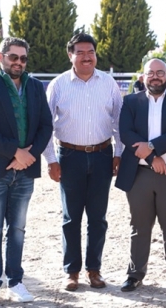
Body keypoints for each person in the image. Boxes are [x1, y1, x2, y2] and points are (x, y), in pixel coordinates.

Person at [0, 37, 53, 307]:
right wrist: (16, 152)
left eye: (23, 58)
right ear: (0, 56)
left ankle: (15, 281)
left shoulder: (36, 86)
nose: (18, 62)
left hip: (25, 170)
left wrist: (28, 156)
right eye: (13, 57)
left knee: (17, 228)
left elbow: (46, 126)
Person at [42, 33, 123, 291]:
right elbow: (46, 125)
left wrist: (118, 153)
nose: (87, 56)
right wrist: (51, 160)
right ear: (70, 55)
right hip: (69, 157)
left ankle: (94, 270)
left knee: (98, 217)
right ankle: (72, 271)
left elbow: (119, 123)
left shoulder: (108, 83)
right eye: (80, 52)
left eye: (90, 52)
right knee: (71, 218)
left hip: (102, 156)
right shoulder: (58, 85)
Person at [116, 59, 166, 292]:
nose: (155, 77)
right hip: (139, 172)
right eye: (151, 73)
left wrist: (150, 147)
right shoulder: (130, 101)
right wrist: (152, 158)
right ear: (143, 76)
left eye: (160, 73)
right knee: (139, 227)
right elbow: (126, 133)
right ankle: (135, 274)